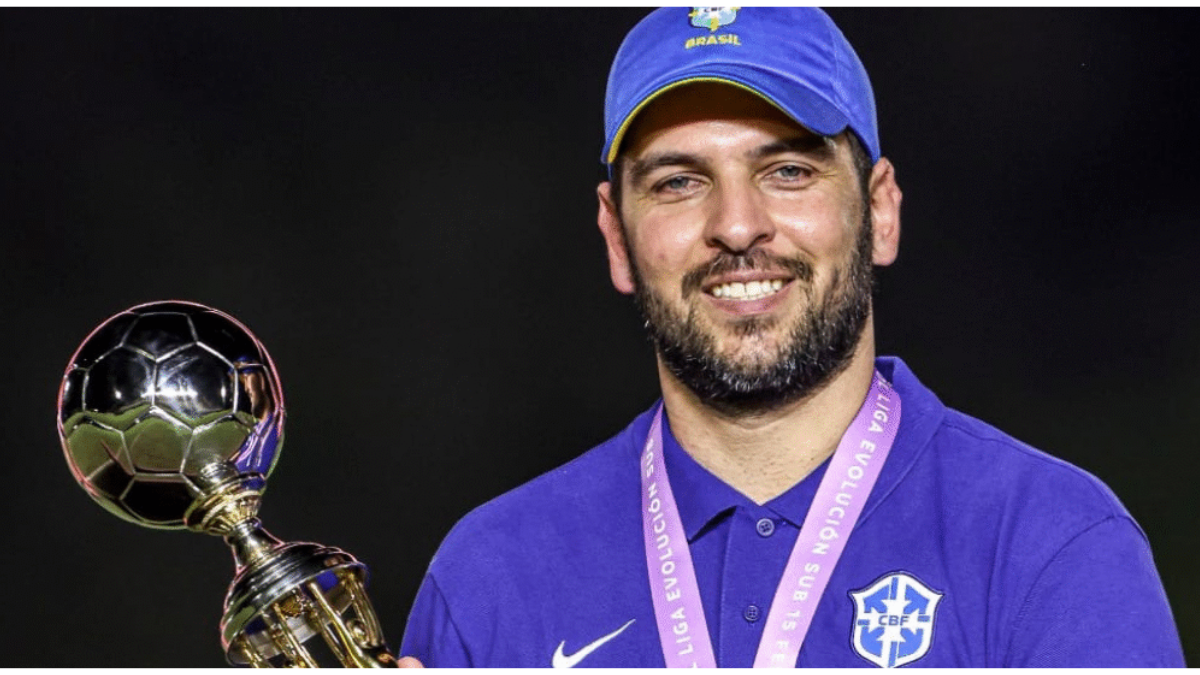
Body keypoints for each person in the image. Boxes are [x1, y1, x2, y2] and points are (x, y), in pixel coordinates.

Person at [399, 7, 1185, 667]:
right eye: (679, 182)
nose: (737, 225)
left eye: (789, 171)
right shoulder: (490, 575)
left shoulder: (1053, 543)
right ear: (616, 236)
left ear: (879, 210)